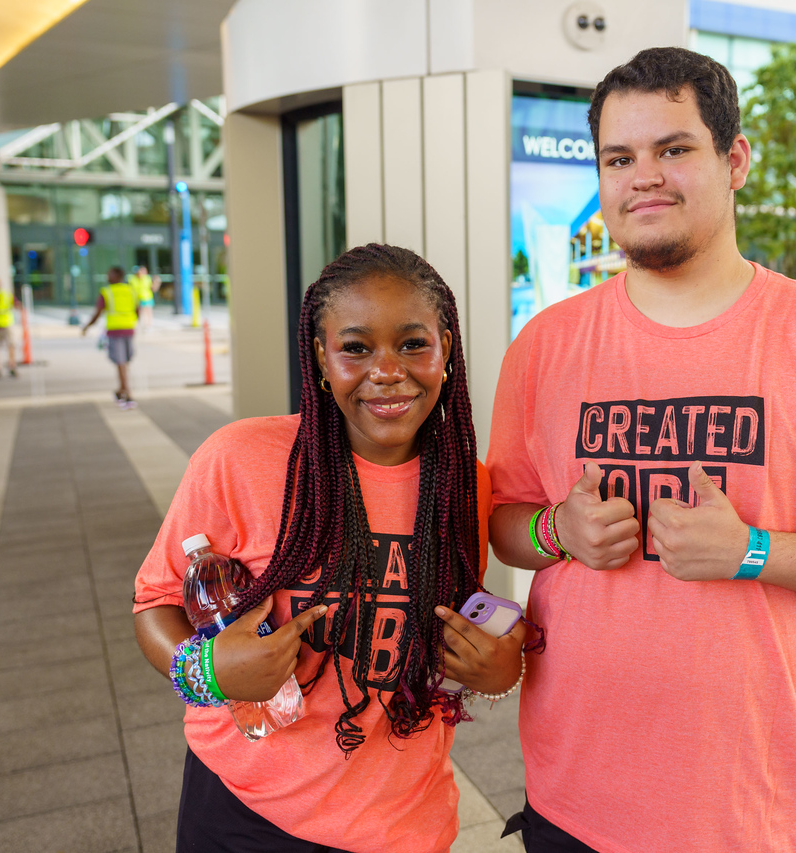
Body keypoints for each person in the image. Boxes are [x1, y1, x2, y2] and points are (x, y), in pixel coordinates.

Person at [486, 47, 796, 853]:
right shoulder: (542, 347)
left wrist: (750, 549)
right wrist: (558, 532)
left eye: (673, 149)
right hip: (574, 796)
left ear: (735, 160)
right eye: (619, 157)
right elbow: (504, 520)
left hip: (753, 808)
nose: (643, 176)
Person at [133, 244, 528, 852]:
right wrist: (206, 670)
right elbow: (155, 602)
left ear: (446, 348)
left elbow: (440, 645)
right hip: (243, 813)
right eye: (356, 347)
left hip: (405, 823)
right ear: (321, 356)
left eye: (413, 344)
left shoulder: (462, 485)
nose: (388, 370)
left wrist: (499, 672)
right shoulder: (238, 458)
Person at [81, 266, 138, 408]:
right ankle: (122, 390)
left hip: (115, 330)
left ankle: (127, 393)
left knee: (121, 362)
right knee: (124, 362)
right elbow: (137, 310)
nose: (107, 276)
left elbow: (98, 312)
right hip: (129, 329)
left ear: (116, 275)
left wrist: (87, 327)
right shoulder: (130, 290)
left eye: (109, 274)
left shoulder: (106, 292)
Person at [128, 264, 155, 330]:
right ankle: (139, 325)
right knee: (139, 313)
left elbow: (152, 288)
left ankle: (149, 325)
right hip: (138, 298)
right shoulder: (133, 279)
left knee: (148, 312)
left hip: (147, 297)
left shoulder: (147, 278)